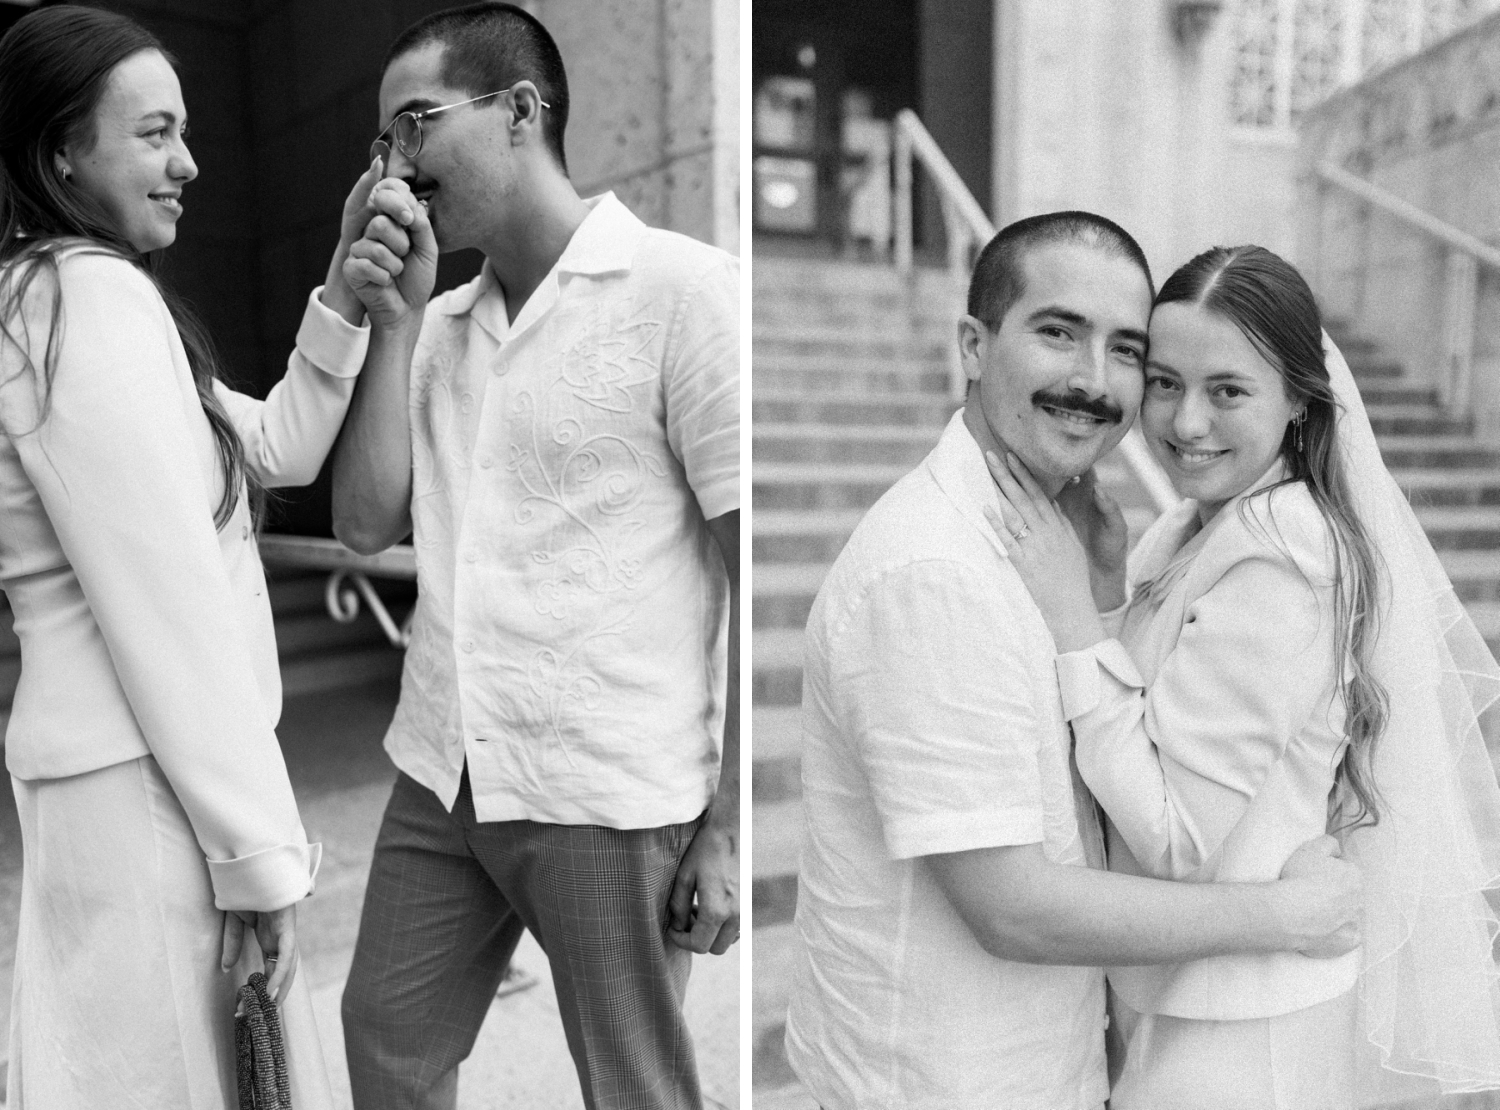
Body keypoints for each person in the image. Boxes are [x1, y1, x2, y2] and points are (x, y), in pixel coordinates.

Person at [783, 212, 1365, 1110]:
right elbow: (1012, 905)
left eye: (1126, 350)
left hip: (1071, 1053)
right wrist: (1284, 915)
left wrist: (1092, 605)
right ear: (974, 345)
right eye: (1059, 332)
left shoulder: (1056, 538)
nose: (1096, 382)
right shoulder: (936, 572)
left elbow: (1097, 792)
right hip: (948, 1077)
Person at [0, 7, 415, 1107]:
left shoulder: (65, 299)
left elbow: (271, 445)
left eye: (184, 131)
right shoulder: (79, 303)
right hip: (148, 792)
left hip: (122, 782)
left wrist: (339, 290)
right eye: (152, 134)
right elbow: (166, 608)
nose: (187, 163)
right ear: (60, 154)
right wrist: (257, 860)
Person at [328, 4, 739, 1108]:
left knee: (634, 1087)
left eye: (413, 126)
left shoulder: (685, 293)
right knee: (384, 1039)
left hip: (609, 788)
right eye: (382, 144)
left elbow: (750, 574)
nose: (394, 171)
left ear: (519, 112)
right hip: (442, 766)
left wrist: (728, 831)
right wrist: (394, 326)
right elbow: (365, 522)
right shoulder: (443, 327)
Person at [985, 244, 1500, 1109]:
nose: (1187, 423)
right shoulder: (1198, 526)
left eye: (1228, 390)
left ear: (1298, 398)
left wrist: (1075, 618)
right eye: (1164, 382)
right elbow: (1162, 715)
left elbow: (1179, 837)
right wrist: (1112, 594)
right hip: (1184, 999)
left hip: (1241, 1037)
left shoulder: (1283, 560)